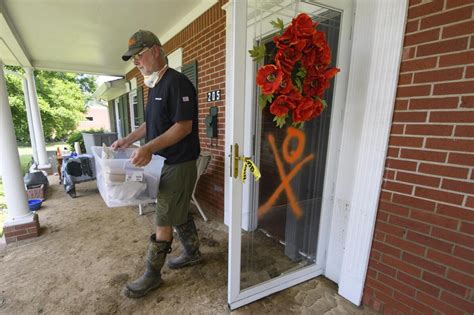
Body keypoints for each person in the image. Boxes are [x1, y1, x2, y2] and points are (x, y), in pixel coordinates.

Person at [112, 29, 201, 299]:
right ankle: (193, 253)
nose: (136, 62)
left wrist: (149, 147)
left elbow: (183, 127)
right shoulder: (155, 85)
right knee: (179, 210)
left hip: (179, 162)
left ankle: (152, 275)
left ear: (156, 50)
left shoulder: (178, 83)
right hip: (164, 162)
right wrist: (130, 139)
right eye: (133, 59)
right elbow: (152, 123)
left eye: (139, 55)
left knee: (163, 217)